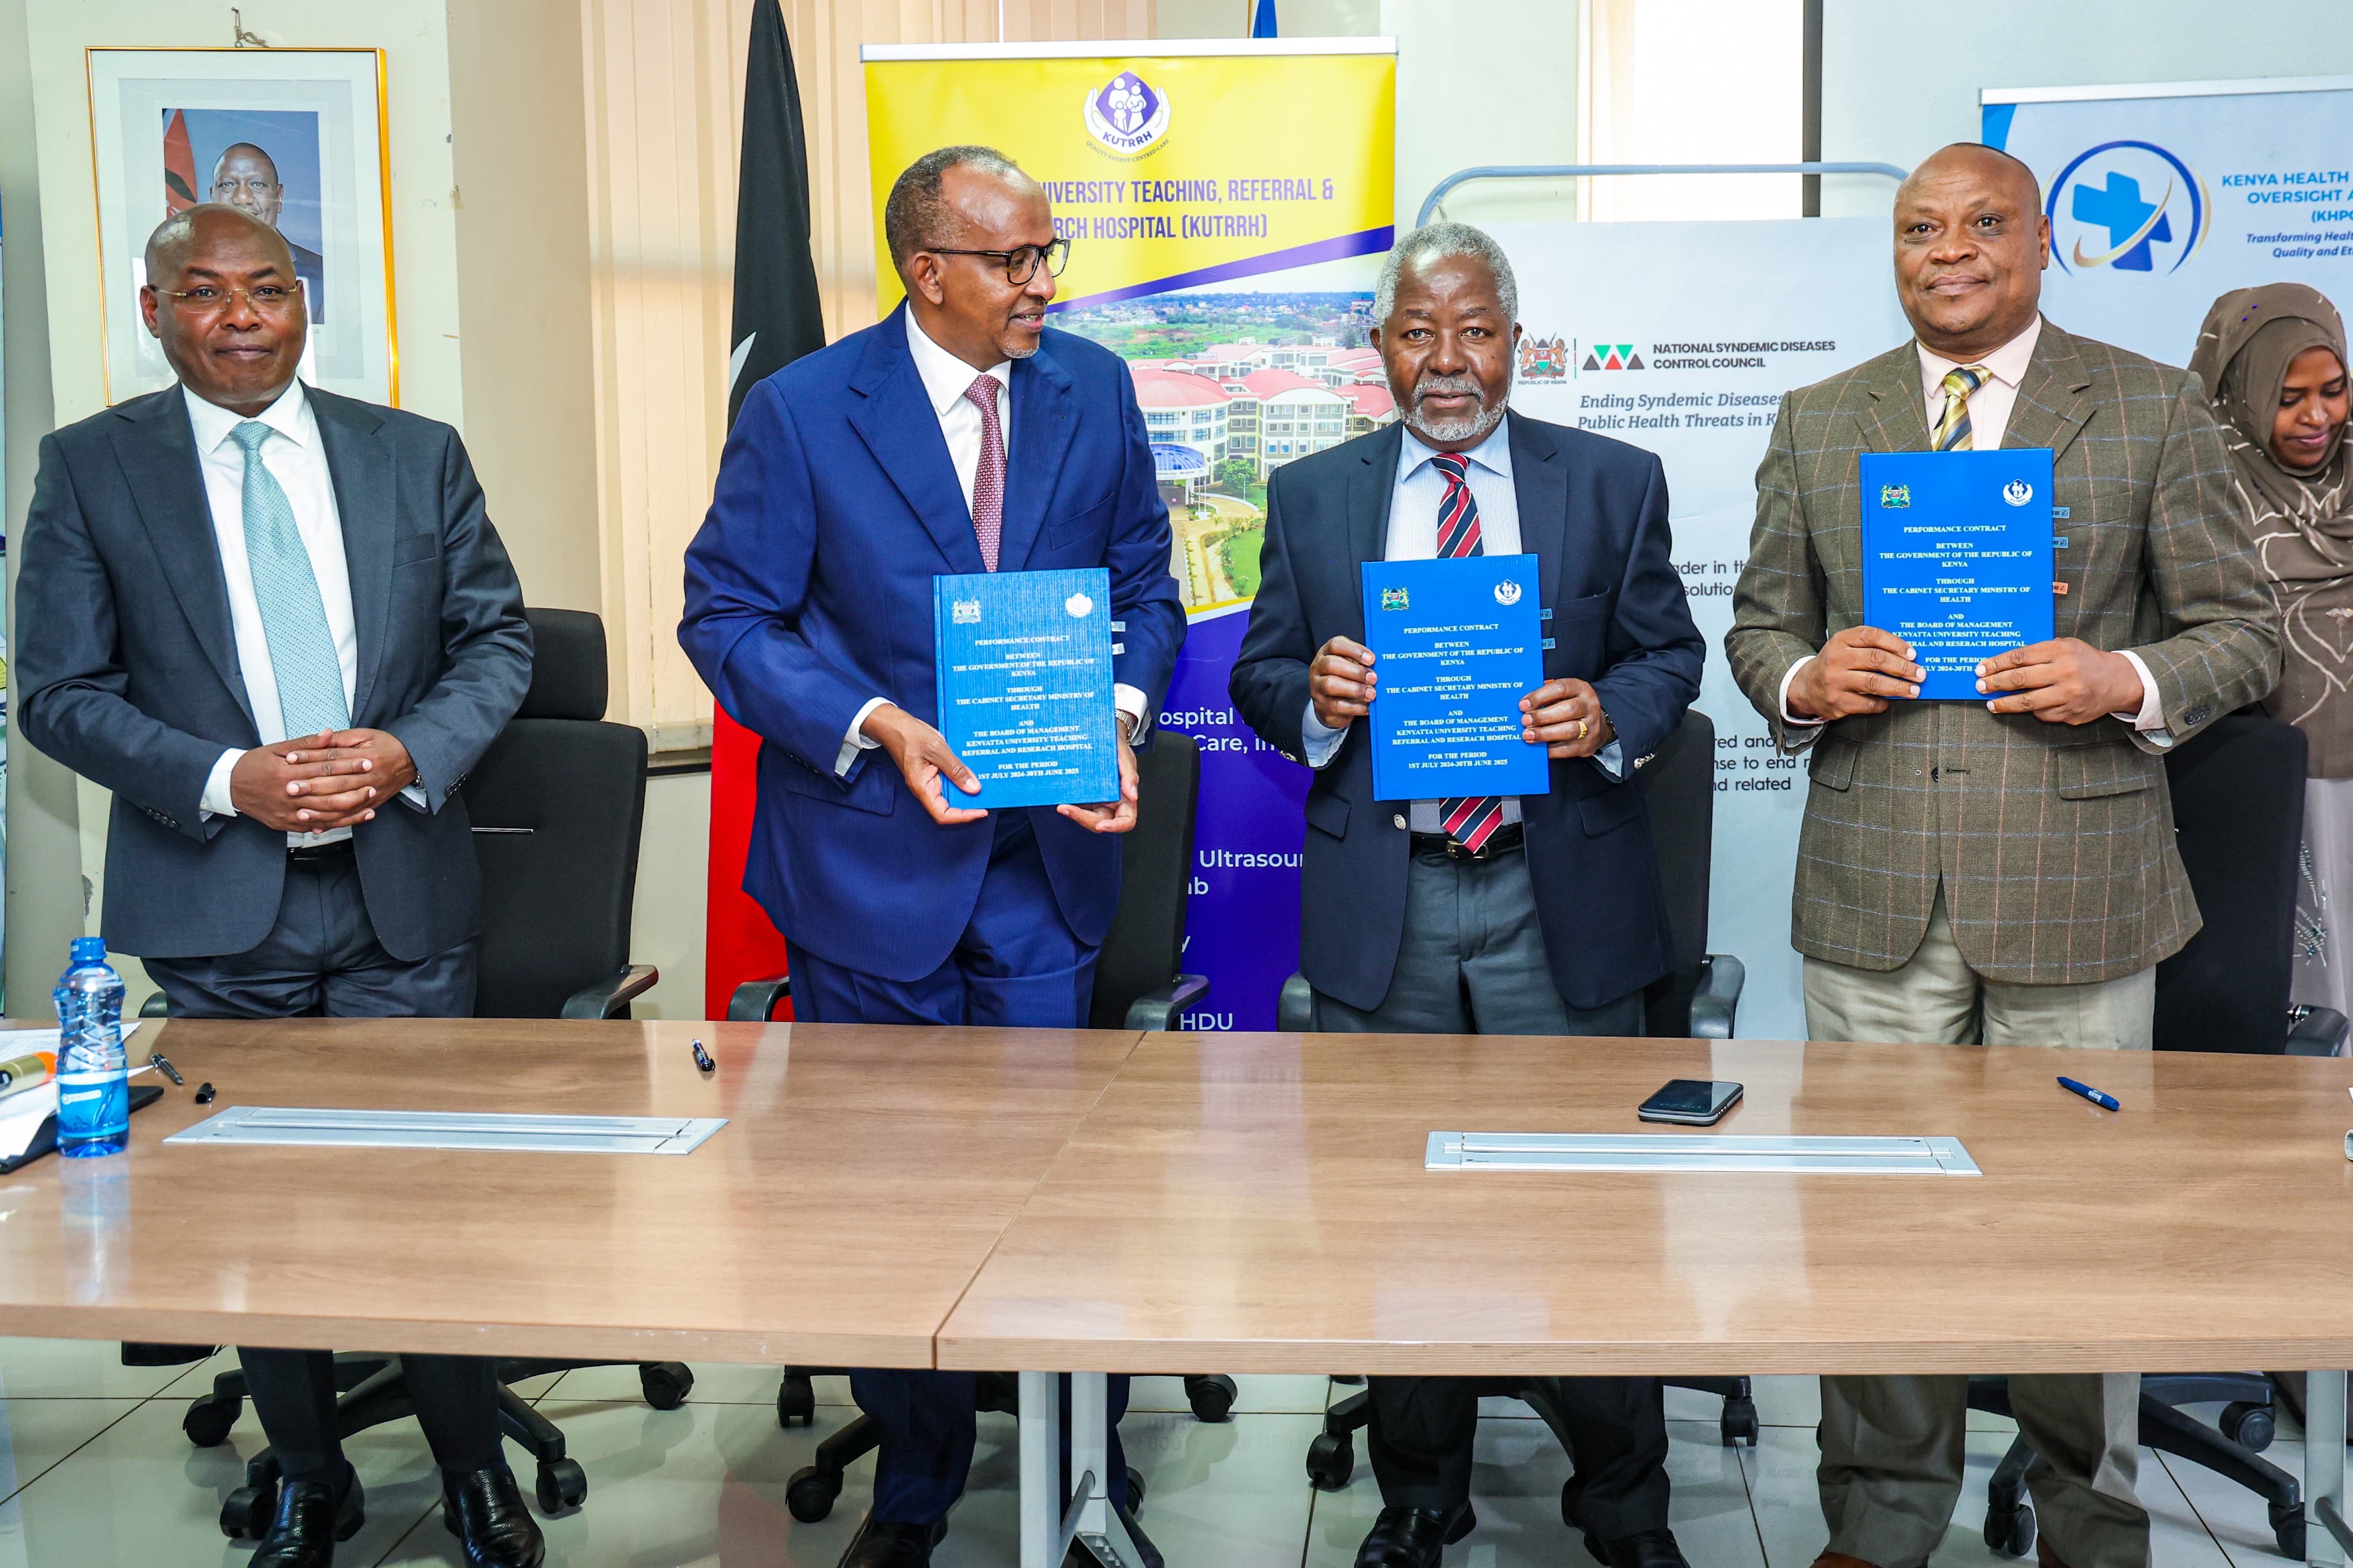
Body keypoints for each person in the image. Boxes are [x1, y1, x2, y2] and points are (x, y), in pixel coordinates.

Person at [1726, 144, 2280, 1568]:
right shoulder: (1818, 417)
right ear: (1894, 252)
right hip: (1875, 895)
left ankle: (2089, 1524)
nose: (1948, 250)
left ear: (2042, 244)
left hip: (2079, 895)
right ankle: (1881, 1519)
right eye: (1919, 229)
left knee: (2079, 1239)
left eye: (1982, 225)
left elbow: (2243, 635)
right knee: (1875, 1231)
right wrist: (1804, 680)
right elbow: (1754, 630)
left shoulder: (2150, 407)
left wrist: (2124, 680)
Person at [677, 145, 1184, 1568]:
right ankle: (917, 1474)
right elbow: (725, 618)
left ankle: (1085, 1465)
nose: (1043, 285)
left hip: (1045, 872)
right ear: (928, 270)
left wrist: (1120, 714)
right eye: (1014, 261)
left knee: (1052, 1189)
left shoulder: (1094, 388)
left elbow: (1145, 581)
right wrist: (870, 720)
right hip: (868, 873)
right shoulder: (800, 410)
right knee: (892, 1200)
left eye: (1046, 255)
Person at [15, 204, 537, 1568]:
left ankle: (476, 1467)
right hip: (216, 900)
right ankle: (309, 1471)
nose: (243, 315)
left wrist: (408, 749)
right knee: (258, 1214)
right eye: (206, 292)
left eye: (269, 289)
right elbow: (57, 695)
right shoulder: (89, 469)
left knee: (432, 1204)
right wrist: (222, 775)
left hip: (400, 897)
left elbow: (495, 642)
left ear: (306, 305)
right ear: (155, 312)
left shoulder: (412, 455)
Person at [1230, 221, 1705, 1568]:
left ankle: (1622, 1502)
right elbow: (1259, 676)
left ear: (1516, 338)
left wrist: (1606, 706)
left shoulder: (1610, 482)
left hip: (1558, 899)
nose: (1448, 361)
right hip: (1394, 896)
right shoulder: (1312, 492)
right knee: (1396, 1211)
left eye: (1474, 329)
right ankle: (1420, 1492)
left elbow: (1672, 656)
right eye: (1418, 332)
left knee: (1592, 1209)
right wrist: (1311, 697)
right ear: (1380, 348)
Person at [2185, 284, 2353, 1013]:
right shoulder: (2194, 484)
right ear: (2242, 394)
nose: (2317, 417)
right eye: (2288, 396)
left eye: (2334, 390)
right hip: (2259, 782)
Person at [209, 143, 328, 322]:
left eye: (257, 184)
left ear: (279, 197)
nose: (242, 198)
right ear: (212, 197)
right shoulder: (183, 271)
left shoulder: (322, 274)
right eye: (228, 184)